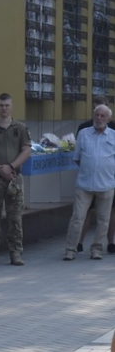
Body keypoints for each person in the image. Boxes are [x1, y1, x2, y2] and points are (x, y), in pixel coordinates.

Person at [0, 93, 32, 266]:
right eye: (1, 105)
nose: (4, 108)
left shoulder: (21, 128)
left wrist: (11, 166)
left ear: (12, 106)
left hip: (14, 179)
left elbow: (26, 150)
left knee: (15, 218)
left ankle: (16, 253)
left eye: (7, 105)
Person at [63, 104, 115, 261]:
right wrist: (91, 169)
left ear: (108, 119)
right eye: (96, 115)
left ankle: (96, 250)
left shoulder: (113, 136)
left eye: (102, 116)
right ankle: (70, 250)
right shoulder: (84, 134)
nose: (99, 118)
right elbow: (77, 158)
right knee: (77, 218)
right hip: (84, 185)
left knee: (103, 221)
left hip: (106, 185)